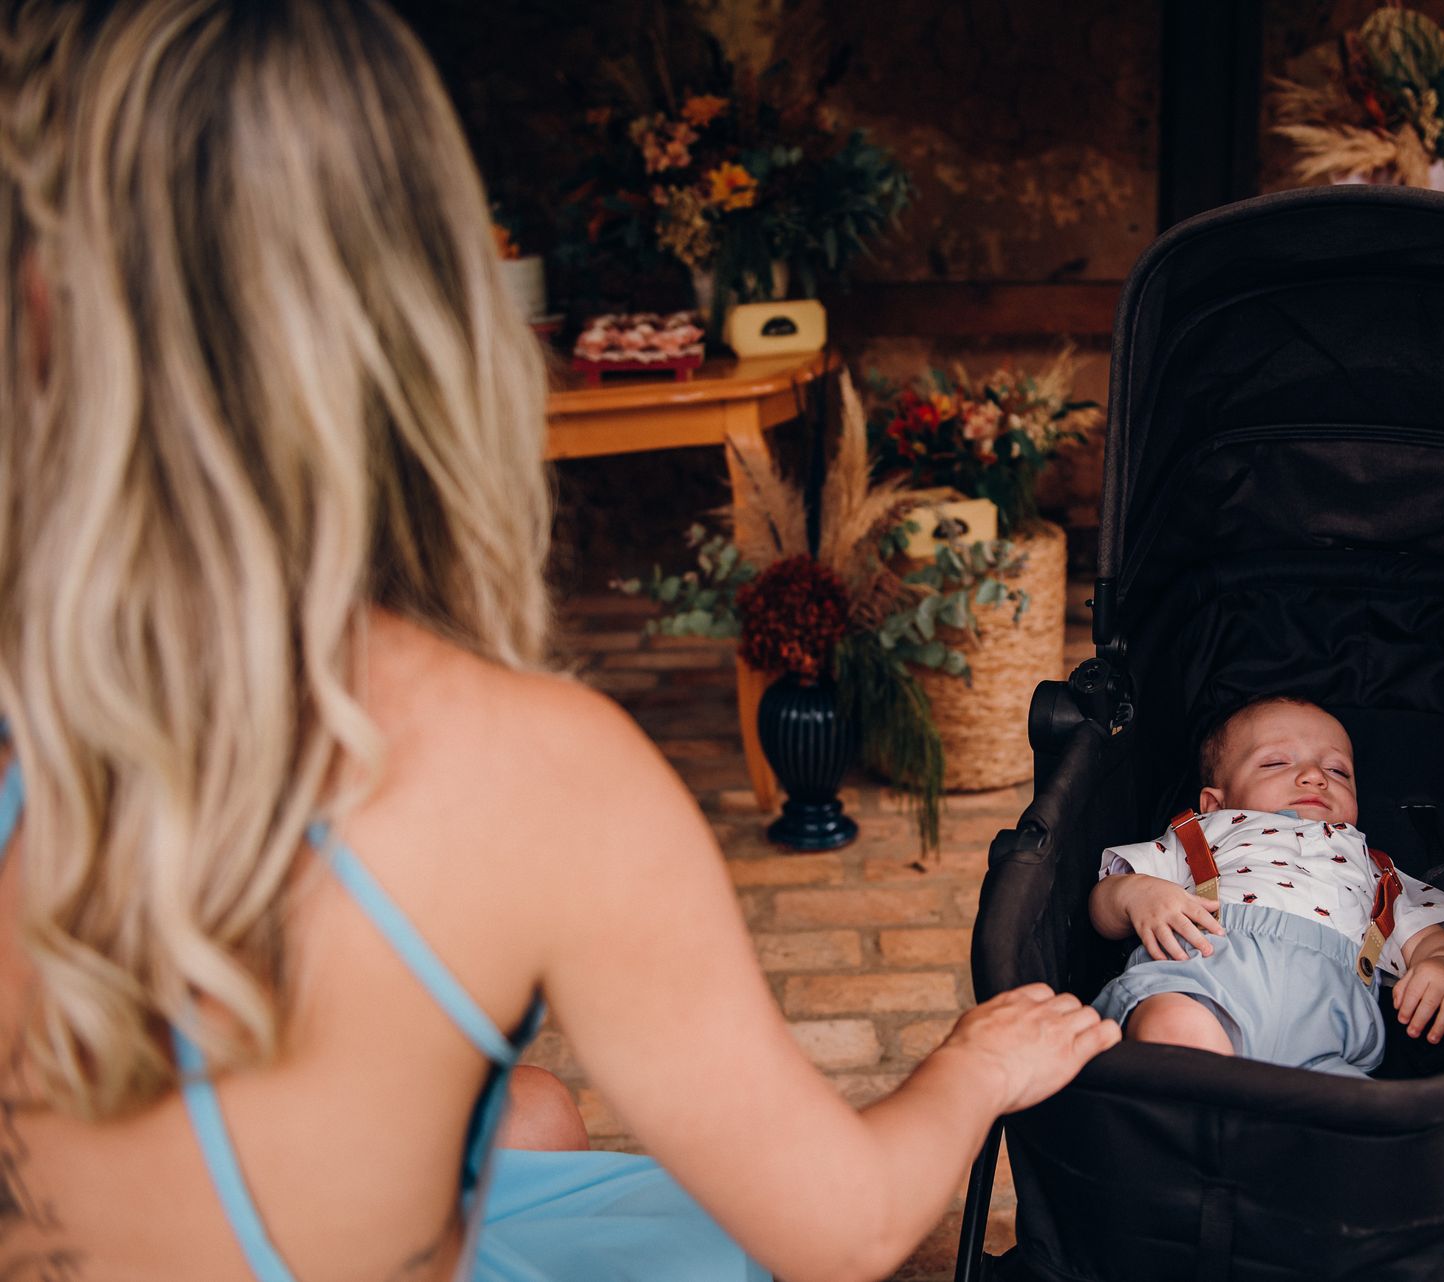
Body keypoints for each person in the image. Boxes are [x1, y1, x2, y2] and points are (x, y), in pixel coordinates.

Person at [0, 2, 1119, 1280]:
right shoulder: (534, 774)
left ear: (39, 302)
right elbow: (846, 1226)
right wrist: (969, 1066)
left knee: (525, 1112)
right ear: (432, 323)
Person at [1086, 696, 1444, 1076]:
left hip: (1329, 1022)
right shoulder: (1201, 834)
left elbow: (1429, 939)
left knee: (1360, 1115)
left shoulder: (1375, 870)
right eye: (1276, 762)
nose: (1315, 776)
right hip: (1206, 977)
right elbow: (1106, 901)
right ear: (1215, 804)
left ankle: (1237, 1127)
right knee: (1173, 1025)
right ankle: (1203, 1119)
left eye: (1338, 771)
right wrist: (1137, 895)